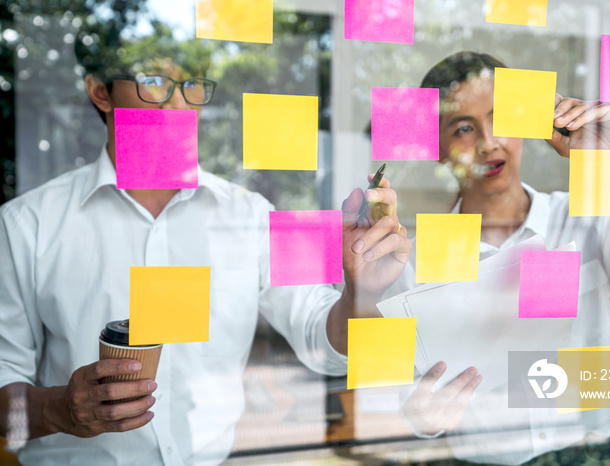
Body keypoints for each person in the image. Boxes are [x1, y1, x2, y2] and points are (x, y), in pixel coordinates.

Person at [0, 30, 412, 465]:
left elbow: (322, 341)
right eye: (155, 82)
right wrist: (58, 410)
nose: (179, 105)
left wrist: (359, 295)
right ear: (101, 93)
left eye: (192, 87)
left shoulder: (254, 213)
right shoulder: (26, 224)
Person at [392, 51, 610, 464]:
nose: (489, 143)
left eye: (501, 119)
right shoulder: (411, 264)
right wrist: (418, 419)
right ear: (437, 147)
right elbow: (394, 395)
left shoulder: (593, 221)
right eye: (464, 127)